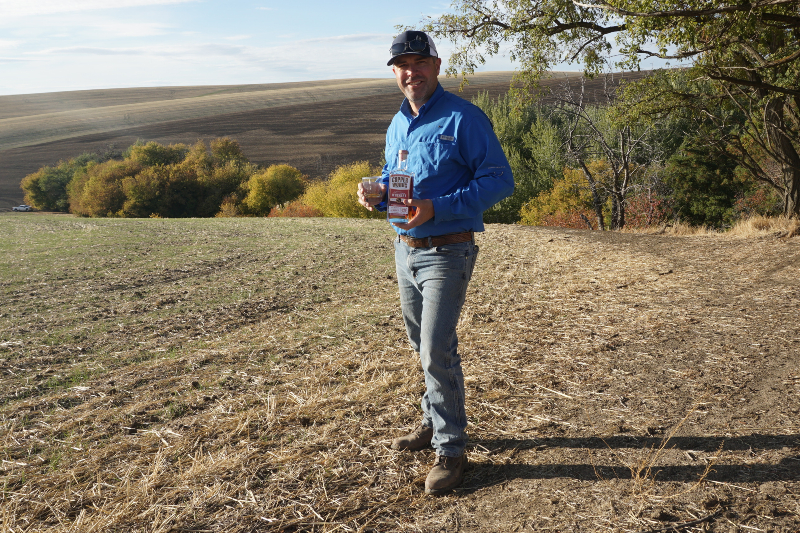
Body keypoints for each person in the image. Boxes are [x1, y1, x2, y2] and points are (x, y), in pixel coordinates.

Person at [357, 30, 514, 495]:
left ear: (437, 65)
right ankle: (431, 420)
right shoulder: (398, 122)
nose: (411, 72)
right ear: (394, 73)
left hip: (448, 249)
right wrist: (378, 190)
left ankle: (451, 449)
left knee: (434, 348)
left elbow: (500, 181)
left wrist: (436, 207)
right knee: (420, 342)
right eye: (402, 65)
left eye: (419, 63)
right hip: (405, 249)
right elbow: (395, 173)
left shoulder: (464, 118)